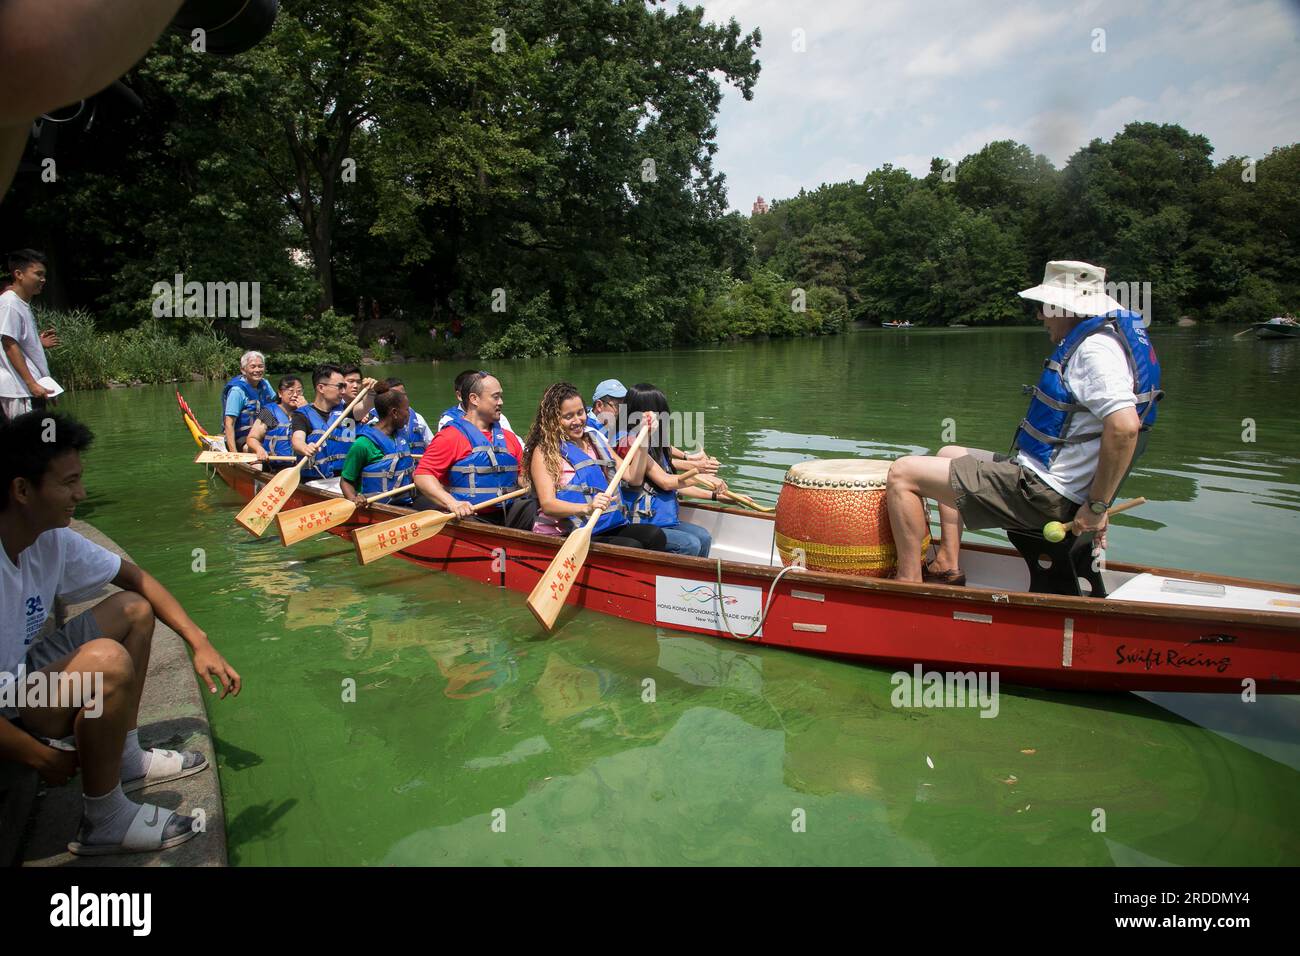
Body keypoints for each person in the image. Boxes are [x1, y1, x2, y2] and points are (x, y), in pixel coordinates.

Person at [0, 411, 241, 855]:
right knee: (105, 662)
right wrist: (37, 756)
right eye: (68, 483)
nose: (81, 494)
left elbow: (138, 580)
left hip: (16, 680)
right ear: (21, 490)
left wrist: (199, 641)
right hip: (9, 708)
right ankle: (104, 819)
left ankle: (125, 756)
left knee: (133, 609)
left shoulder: (48, 537)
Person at [886, 260, 1162, 585]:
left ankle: (907, 583)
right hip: (1055, 485)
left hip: (1044, 493)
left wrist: (1097, 506)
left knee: (902, 473)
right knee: (949, 452)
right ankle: (947, 561)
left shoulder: (1093, 351)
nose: (1039, 316)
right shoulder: (1111, 341)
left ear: (1066, 308)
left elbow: (1125, 427)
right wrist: (1097, 500)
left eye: (1045, 307)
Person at [525, 382, 668, 551]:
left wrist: (644, 438)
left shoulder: (595, 438)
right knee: (632, 546)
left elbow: (633, 478)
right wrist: (587, 507)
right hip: (566, 532)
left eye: (580, 413)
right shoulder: (544, 452)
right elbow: (548, 505)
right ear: (553, 419)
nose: (578, 421)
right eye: (568, 416)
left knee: (654, 535)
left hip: (601, 524)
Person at [414, 372, 536, 528]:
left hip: (508, 512)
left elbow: (522, 476)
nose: (501, 402)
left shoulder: (509, 437)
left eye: (501, 397)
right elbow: (422, 475)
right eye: (495, 397)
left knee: (533, 505)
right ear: (474, 399)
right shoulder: (450, 436)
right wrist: (452, 503)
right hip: (471, 517)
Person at [616, 384, 726, 557]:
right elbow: (666, 482)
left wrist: (714, 495)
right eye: (659, 411)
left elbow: (676, 482)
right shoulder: (630, 444)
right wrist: (701, 476)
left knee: (704, 537)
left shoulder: (657, 443)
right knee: (690, 544)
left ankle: (696, 581)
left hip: (665, 519)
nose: (664, 416)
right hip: (644, 522)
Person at [0, 249, 58, 422]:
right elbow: (8, 343)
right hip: (21, 392)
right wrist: (31, 383)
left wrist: (37, 343)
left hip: (32, 390)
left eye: (44, 275)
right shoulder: (10, 303)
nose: (43, 280)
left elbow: (15, 342)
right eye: (38, 274)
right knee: (32, 444)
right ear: (19, 274)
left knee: (46, 441)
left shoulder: (21, 303)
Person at [339, 384, 415, 506]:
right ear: (394, 413)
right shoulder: (363, 444)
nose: (409, 414)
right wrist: (353, 499)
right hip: (378, 506)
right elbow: (345, 481)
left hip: (405, 503)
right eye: (406, 410)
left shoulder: (401, 436)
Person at [291, 364, 350, 480]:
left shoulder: (348, 411)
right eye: (340, 386)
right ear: (321, 388)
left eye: (345, 386)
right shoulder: (301, 415)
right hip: (316, 480)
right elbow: (297, 440)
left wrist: (371, 393)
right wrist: (305, 448)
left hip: (346, 479)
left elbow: (363, 408)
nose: (343, 391)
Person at [220, 350, 275, 453]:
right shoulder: (237, 391)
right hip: (242, 438)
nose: (257, 370)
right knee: (257, 449)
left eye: (260, 366)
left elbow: (275, 409)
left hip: (262, 433)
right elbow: (229, 423)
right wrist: (233, 453)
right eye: (253, 366)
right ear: (243, 370)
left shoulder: (265, 385)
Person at [244, 374, 305, 467]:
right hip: (274, 464)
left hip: (300, 465)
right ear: (280, 393)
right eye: (290, 392)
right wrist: (259, 449)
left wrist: (306, 411)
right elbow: (252, 438)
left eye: (299, 391)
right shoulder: (270, 413)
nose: (295, 395)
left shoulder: (306, 411)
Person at [438, 368, 514, 434]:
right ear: (460, 395)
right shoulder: (448, 422)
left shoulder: (497, 416)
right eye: (495, 397)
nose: (501, 402)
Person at [382, 376, 433, 458]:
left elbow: (432, 446)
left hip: (418, 468)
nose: (401, 399)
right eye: (396, 396)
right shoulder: (375, 422)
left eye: (403, 395)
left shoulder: (417, 418)